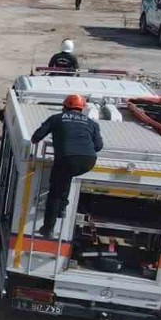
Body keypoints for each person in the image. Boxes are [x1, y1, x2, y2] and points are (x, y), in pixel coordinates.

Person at [31, 93, 103, 236]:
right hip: (88, 161)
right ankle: (62, 208)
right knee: (67, 176)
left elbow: (36, 137)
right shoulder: (92, 123)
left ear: (64, 107)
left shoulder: (56, 119)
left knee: (55, 193)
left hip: (66, 159)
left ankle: (48, 228)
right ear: (82, 109)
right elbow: (98, 146)